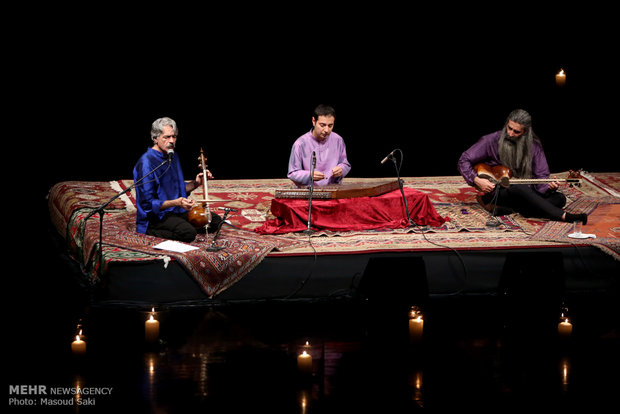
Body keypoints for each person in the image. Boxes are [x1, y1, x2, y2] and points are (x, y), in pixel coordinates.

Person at [457, 109, 587, 223]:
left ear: (525, 132)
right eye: (509, 128)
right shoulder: (490, 140)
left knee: (559, 199)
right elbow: (464, 160)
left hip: (524, 193)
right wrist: (476, 180)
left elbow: (541, 176)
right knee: (519, 187)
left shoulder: (534, 146)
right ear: (507, 123)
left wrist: (548, 187)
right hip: (497, 192)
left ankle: (521, 210)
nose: (510, 133)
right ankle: (564, 216)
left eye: (516, 131)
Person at [133, 117, 220, 242]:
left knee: (214, 220)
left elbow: (177, 189)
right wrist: (176, 202)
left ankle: (180, 225)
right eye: (166, 137)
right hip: (157, 216)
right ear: (155, 138)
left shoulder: (172, 156)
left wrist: (196, 183)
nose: (172, 141)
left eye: (174, 137)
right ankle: (149, 231)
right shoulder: (146, 163)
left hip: (176, 211)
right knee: (188, 233)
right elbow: (148, 204)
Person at [287, 104, 351, 187]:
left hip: (333, 188)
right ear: (314, 121)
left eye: (330, 126)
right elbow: (292, 173)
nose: (326, 130)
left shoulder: (338, 140)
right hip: (309, 191)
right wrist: (309, 175)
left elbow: (345, 164)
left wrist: (341, 169)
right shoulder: (300, 144)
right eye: (322, 125)